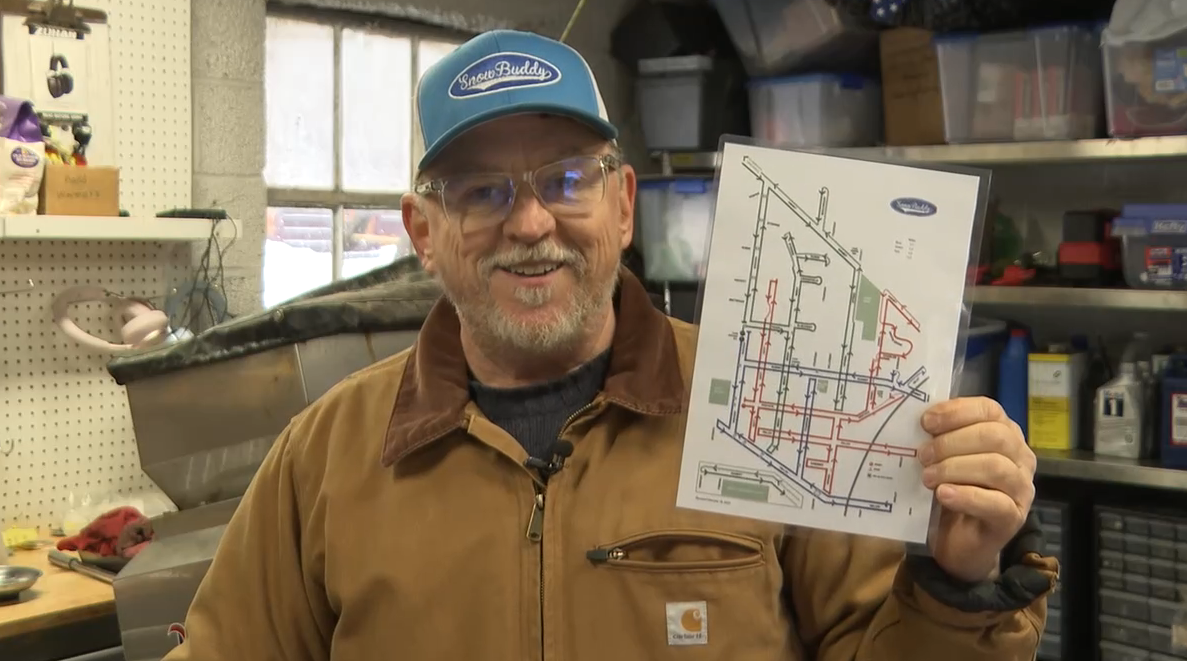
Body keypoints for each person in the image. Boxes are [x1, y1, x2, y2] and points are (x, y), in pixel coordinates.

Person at [165, 29, 1056, 661]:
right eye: (480, 191)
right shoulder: (325, 456)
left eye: (565, 180)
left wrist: (957, 582)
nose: (529, 222)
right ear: (423, 232)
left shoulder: (772, 408)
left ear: (623, 205)